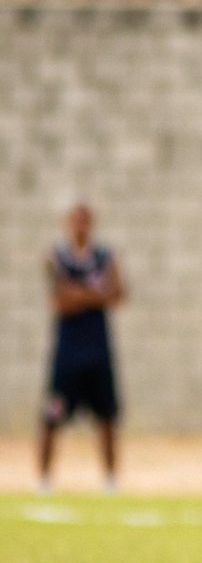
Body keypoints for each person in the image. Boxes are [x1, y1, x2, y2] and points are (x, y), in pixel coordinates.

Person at [38, 203, 125, 495]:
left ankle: (110, 480)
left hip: (98, 352)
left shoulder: (104, 256)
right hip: (68, 354)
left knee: (107, 418)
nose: (80, 227)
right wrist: (94, 293)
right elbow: (60, 300)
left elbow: (117, 293)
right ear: (67, 224)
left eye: (85, 222)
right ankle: (44, 479)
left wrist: (80, 294)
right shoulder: (57, 258)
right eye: (75, 221)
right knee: (52, 416)